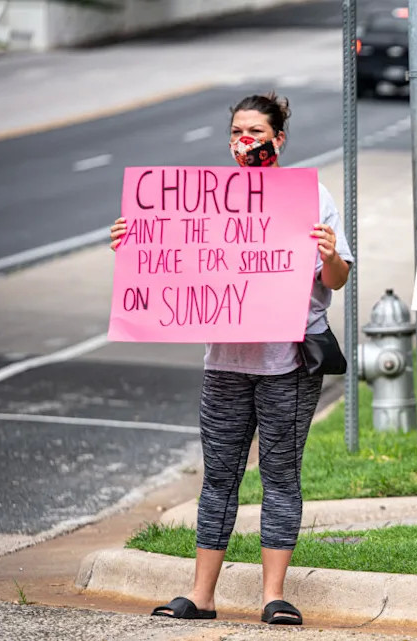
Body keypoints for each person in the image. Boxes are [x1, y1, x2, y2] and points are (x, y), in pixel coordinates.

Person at [109, 93, 354, 625]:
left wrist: (331, 253)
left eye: (255, 132)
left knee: (280, 474)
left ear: (278, 139)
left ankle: (273, 596)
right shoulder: (203, 200)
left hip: (287, 361)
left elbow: (336, 279)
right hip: (225, 359)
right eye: (237, 131)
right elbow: (168, 257)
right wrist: (134, 242)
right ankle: (201, 595)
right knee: (219, 475)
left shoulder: (311, 197)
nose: (245, 141)